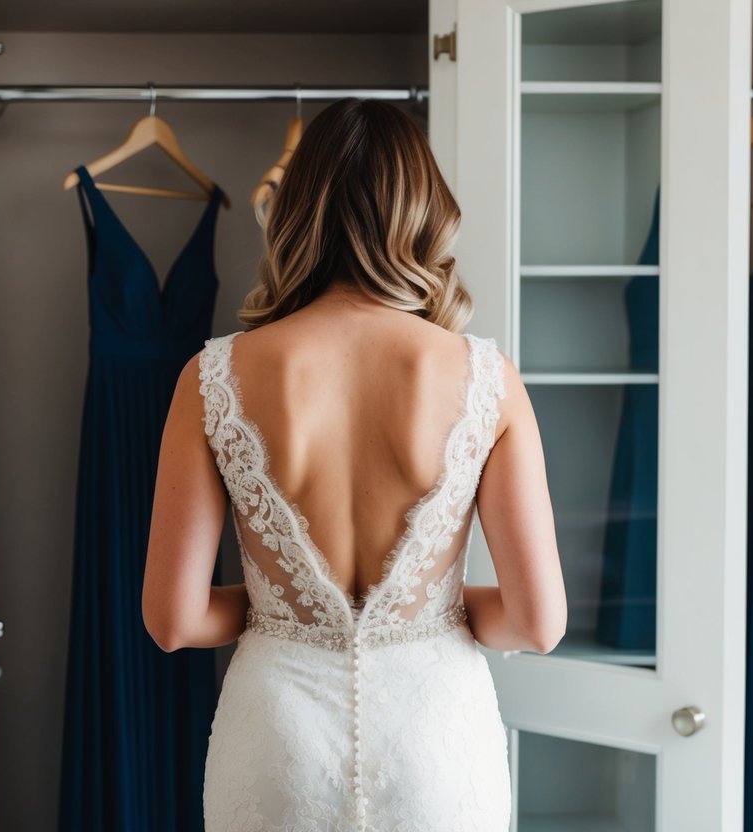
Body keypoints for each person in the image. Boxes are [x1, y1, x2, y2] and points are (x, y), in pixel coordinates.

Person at [142, 97, 567, 832]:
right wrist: (426, 611)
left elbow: (175, 621)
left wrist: (287, 611)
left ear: (295, 210)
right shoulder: (486, 378)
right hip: (436, 739)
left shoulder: (212, 376)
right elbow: (536, 623)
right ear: (425, 212)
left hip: (277, 739)